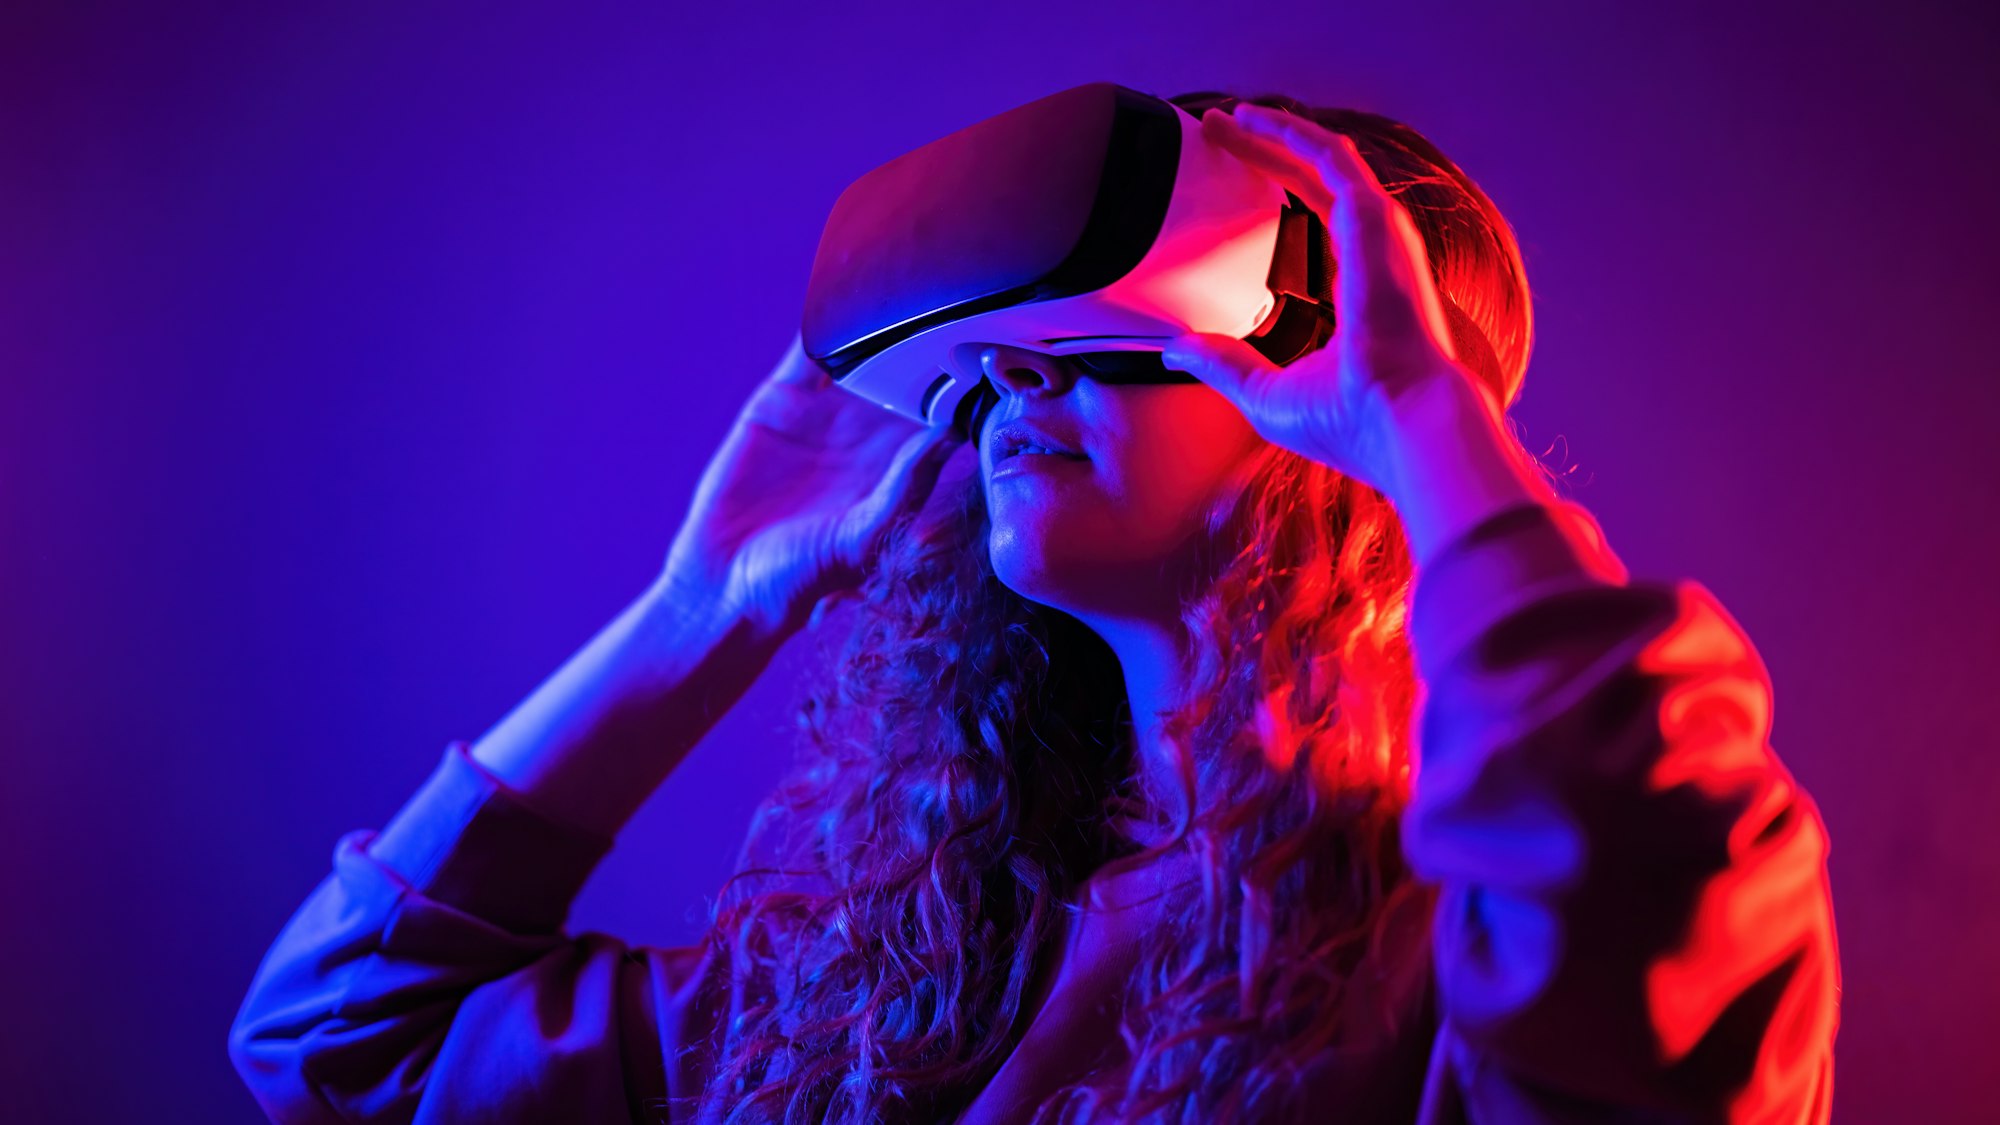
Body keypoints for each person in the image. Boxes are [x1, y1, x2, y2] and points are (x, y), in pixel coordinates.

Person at [226, 90, 1840, 1124]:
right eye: (1015, 334)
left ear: (1323, 382)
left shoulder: (1448, 974)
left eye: (1132, 321)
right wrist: (695, 609)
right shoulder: (901, 960)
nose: (1016, 371)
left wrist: (1428, 429)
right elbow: (338, 1043)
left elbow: (1666, 911)